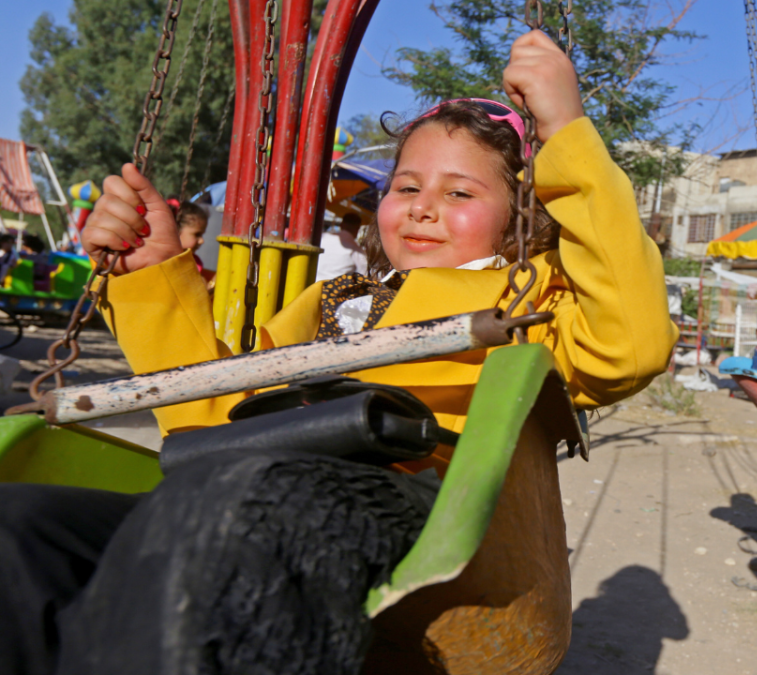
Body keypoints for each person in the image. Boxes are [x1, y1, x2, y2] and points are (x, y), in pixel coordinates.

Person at [0, 30, 675, 675]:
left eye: (460, 192)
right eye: (406, 186)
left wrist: (567, 135)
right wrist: (152, 273)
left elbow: (631, 346)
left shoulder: (531, 300)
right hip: (243, 489)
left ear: (523, 214)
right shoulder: (331, 302)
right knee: (25, 526)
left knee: (235, 506)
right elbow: (215, 413)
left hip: (423, 507)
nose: (422, 207)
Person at [315, 212, 367, 281]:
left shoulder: (322, 238)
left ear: (341, 225)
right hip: (335, 289)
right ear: (357, 229)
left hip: (312, 286)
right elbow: (364, 275)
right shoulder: (357, 250)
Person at [174, 200, 214, 281]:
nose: (201, 241)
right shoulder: (163, 260)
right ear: (176, 230)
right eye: (197, 234)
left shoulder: (192, 262)